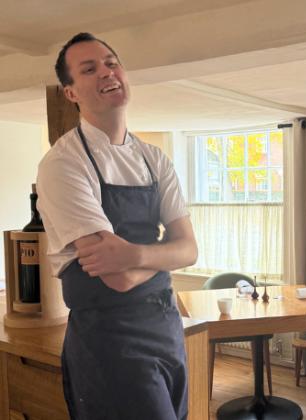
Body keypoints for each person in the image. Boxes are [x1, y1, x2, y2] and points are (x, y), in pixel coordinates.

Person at [36, 32, 197, 420]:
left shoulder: (154, 159)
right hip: (110, 341)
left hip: (166, 328)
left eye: (111, 63)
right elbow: (118, 279)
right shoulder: (64, 164)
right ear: (70, 92)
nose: (107, 72)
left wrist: (133, 254)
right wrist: (164, 256)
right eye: (89, 69)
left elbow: (190, 250)